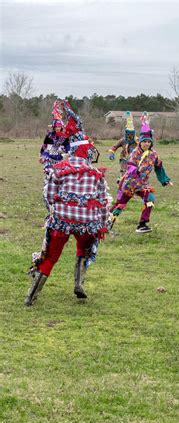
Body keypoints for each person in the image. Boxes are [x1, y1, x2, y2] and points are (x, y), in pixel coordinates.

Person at [26, 100, 111, 306]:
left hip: (62, 221)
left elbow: (49, 194)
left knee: (51, 255)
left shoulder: (59, 168)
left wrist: (53, 211)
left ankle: (32, 295)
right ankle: (78, 283)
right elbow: (102, 201)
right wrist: (102, 222)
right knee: (84, 249)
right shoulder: (96, 173)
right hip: (86, 224)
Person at [111, 112, 172, 233]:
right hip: (130, 183)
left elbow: (159, 167)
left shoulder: (154, 154)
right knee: (120, 205)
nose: (146, 144)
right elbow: (131, 165)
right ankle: (106, 223)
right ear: (140, 142)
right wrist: (136, 172)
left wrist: (165, 180)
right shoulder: (135, 153)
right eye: (144, 142)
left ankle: (142, 225)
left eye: (149, 142)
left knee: (150, 199)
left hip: (143, 184)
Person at [39, 100, 70, 176]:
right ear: (53, 127)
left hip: (60, 159)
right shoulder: (49, 135)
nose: (57, 128)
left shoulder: (65, 137)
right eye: (56, 127)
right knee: (49, 174)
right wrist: (41, 156)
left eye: (59, 127)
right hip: (49, 157)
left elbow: (68, 149)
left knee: (60, 176)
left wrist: (65, 154)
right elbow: (44, 147)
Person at [108, 111, 138, 180]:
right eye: (128, 134)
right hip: (124, 158)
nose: (129, 136)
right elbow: (114, 147)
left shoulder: (137, 141)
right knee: (124, 171)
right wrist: (112, 153)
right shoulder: (123, 140)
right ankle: (122, 182)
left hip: (134, 159)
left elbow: (143, 148)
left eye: (131, 134)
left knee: (133, 173)